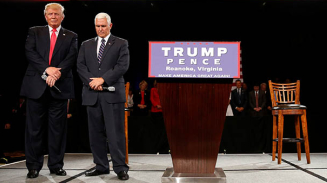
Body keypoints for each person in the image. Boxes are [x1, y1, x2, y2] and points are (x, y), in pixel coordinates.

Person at [20, 3, 78, 178]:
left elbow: (72, 57)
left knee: (57, 130)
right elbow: (30, 52)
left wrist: (57, 72)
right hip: (36, 87)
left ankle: (56, 165)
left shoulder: (71, 35)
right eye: (50, 14)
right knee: (34, 129)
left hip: (60, 88)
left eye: (57, 14)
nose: (53, 16)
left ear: (62, 16)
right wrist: (47, 69)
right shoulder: (34, 31)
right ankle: (33, 166)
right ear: (45, 16)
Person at [76, 12, 129, 180]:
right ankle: (101, 166)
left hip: (112, 95)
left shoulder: (121, 43)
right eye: (98, 26)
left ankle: (120, 168)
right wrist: (92, 82)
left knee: (115, 134)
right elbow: (80, 66)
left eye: (103, 26)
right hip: (92, 94)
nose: (100, 29)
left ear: (110, 26)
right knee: (95, 133)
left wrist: (103, 80)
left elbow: (122, 66)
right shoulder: (86, 45)